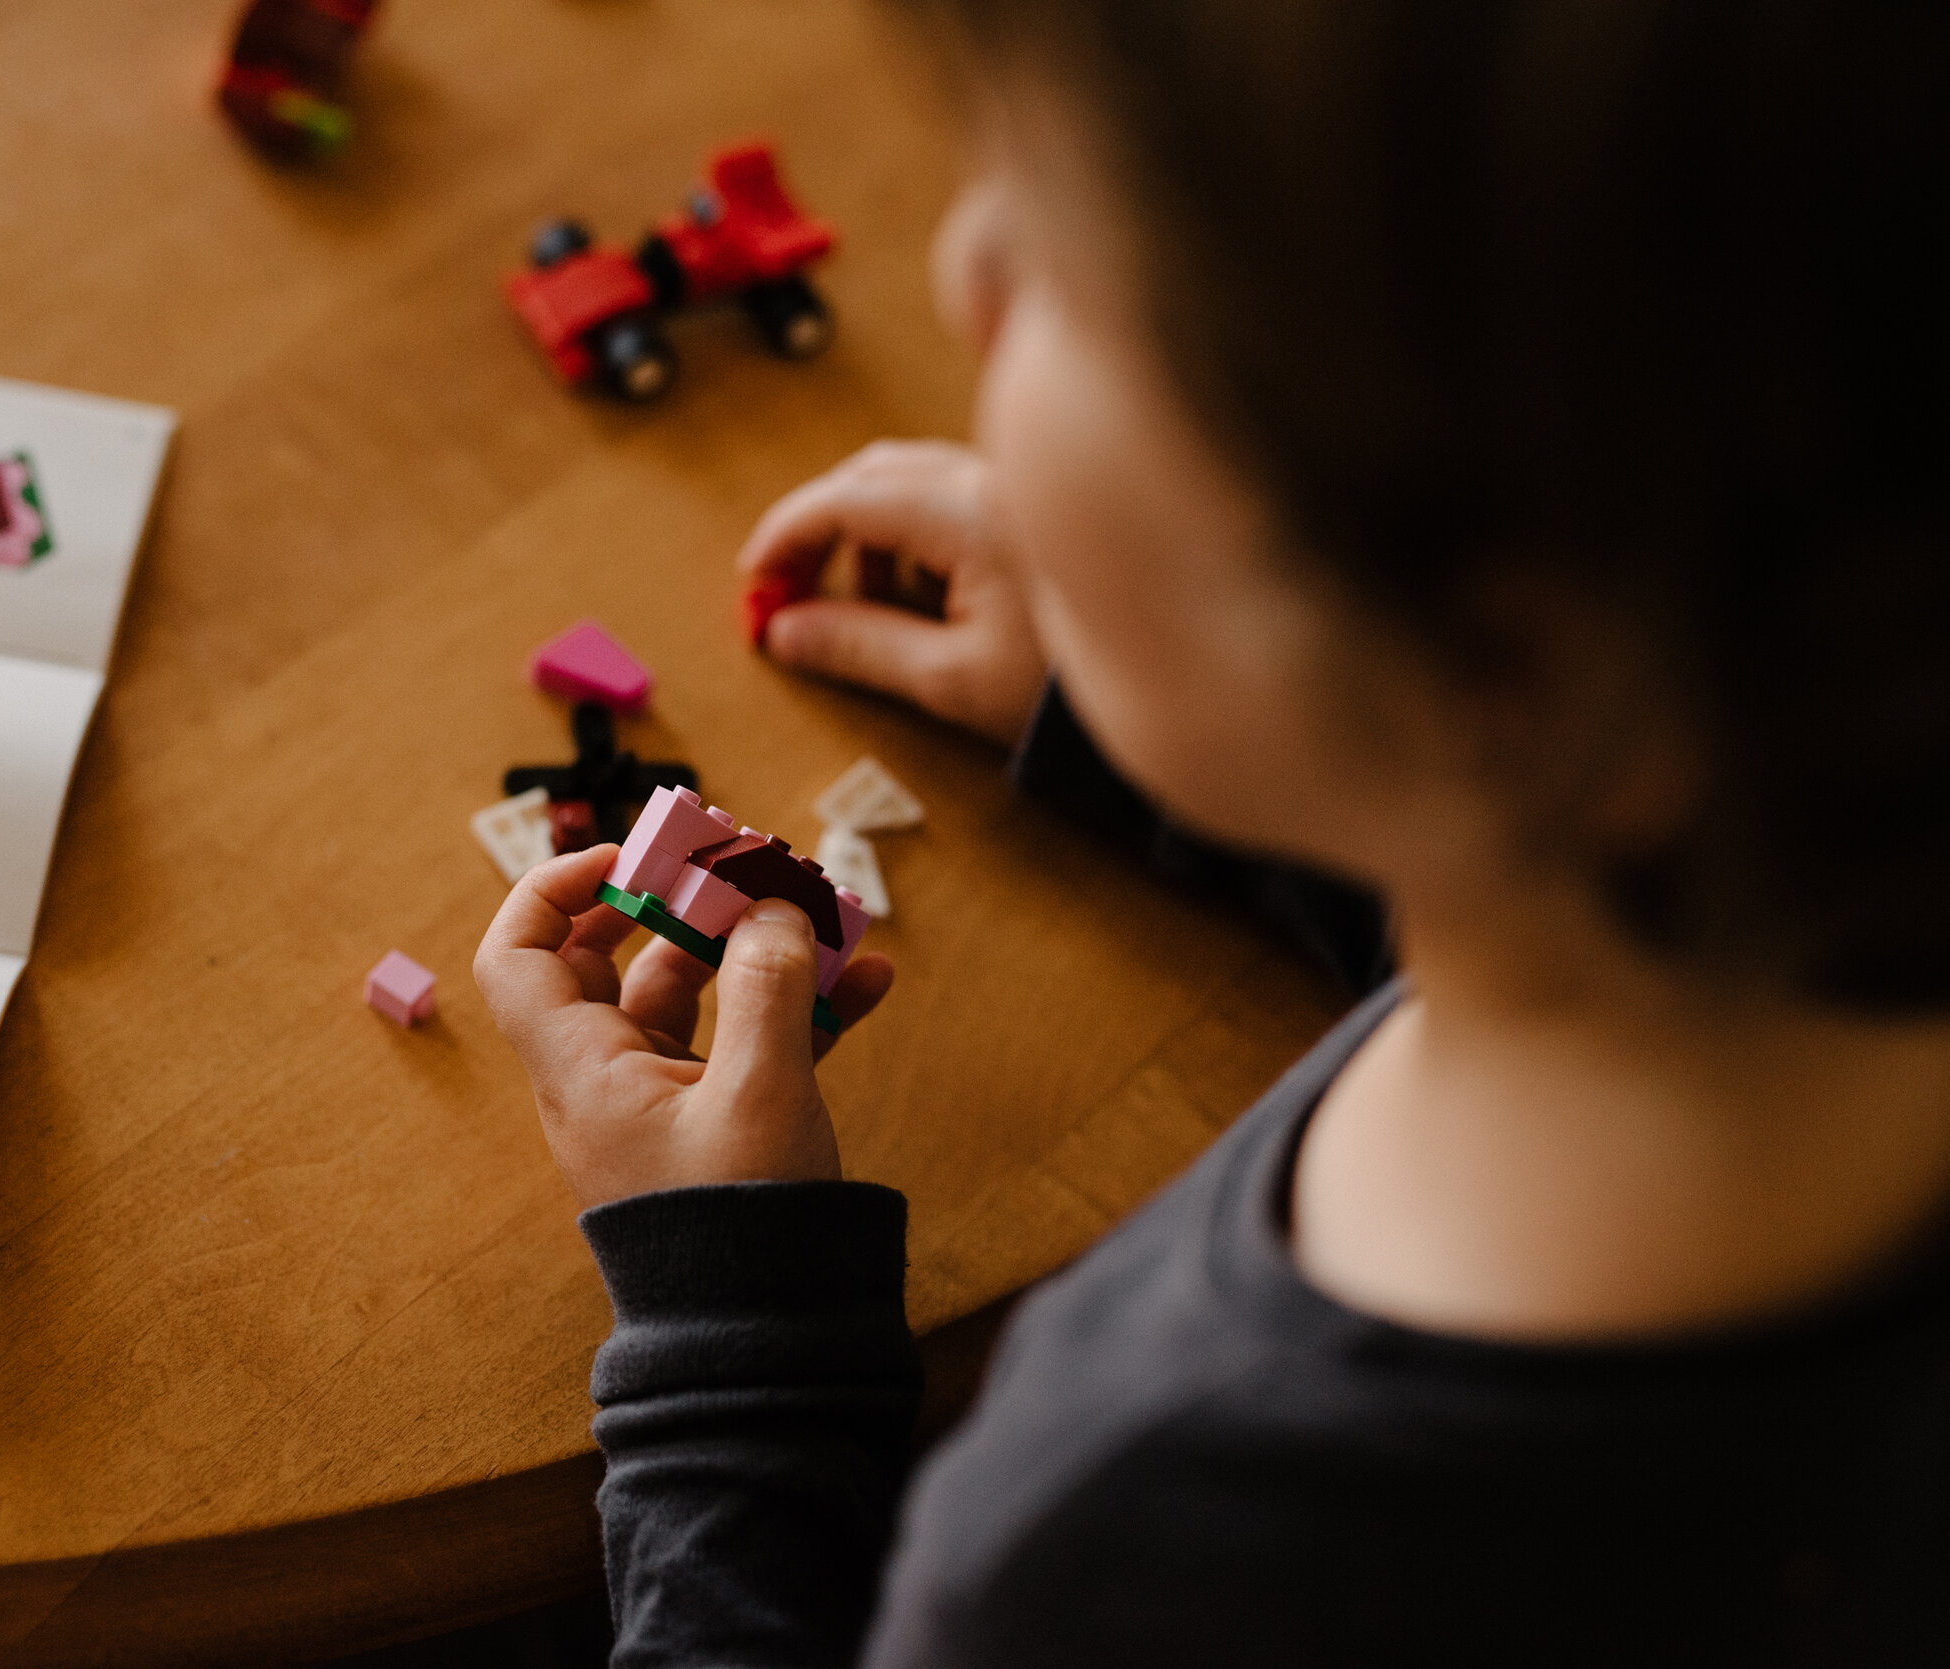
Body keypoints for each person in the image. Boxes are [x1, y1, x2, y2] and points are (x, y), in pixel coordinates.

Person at [474, 1, 1950, 1660]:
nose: (962, 267)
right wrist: (1270, 729)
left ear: (1498, 664)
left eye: (1070, 268)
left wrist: (725, 1339)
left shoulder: (1128, 1544)